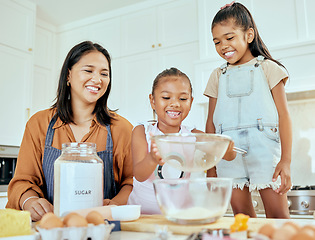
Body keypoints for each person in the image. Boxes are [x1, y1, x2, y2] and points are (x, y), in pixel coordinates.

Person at [6, 41, 133, 221]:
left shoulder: (122, 128)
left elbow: (133, 183)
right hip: (52, 228)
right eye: (88, 70)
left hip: (104, 228)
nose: (97, 79)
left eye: (104, 73)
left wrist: (114, 206)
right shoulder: (39, 124)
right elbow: (22, 181)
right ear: (68, 75)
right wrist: (30, 201)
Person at [204, 2, 292, 218]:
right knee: (242, 220)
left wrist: (286, 161)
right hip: (228, 158)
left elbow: (284, 117)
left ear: (249, 35)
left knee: (278, 220)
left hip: (264, 154)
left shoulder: (269, 69)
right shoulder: (217, 75)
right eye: (217, 41)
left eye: (229, 37)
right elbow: (211, 124)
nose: (223, 45)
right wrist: (211, 165)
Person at [127, 67, 235, 214]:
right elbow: (139, 175)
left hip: (179, 214)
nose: (175, 104)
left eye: (183, 99)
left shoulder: (193, 136)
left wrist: (228, 150)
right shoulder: (142, 131)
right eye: (166, 98)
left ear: (190, 102)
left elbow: (226, 153)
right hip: (142, 215)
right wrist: (152, 158)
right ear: (152, 101)